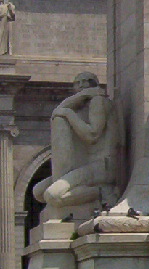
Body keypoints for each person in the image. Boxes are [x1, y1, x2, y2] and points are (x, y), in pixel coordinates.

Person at [32, 72, 119, 216]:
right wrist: (73, 102)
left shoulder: (99, 101)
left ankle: (103, 192)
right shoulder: (86, 105)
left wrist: (68, 113)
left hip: (102, 167)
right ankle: (92, 191)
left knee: (52, 195)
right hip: (88, 167)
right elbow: (57, 113)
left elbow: (92, 135)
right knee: (38, 192)